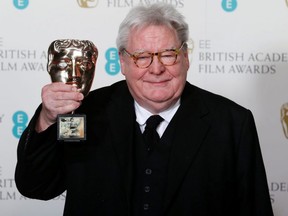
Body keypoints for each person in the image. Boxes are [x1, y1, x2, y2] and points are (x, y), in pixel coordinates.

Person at [15, 2, 274, 216]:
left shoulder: (231, 123)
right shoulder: (85, 113)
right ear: (122, 62)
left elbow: (254, 209)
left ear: (185, 57)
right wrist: (47, 119)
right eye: (142, 57)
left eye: (168, 54)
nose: (156, 68)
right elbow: (37, 186)